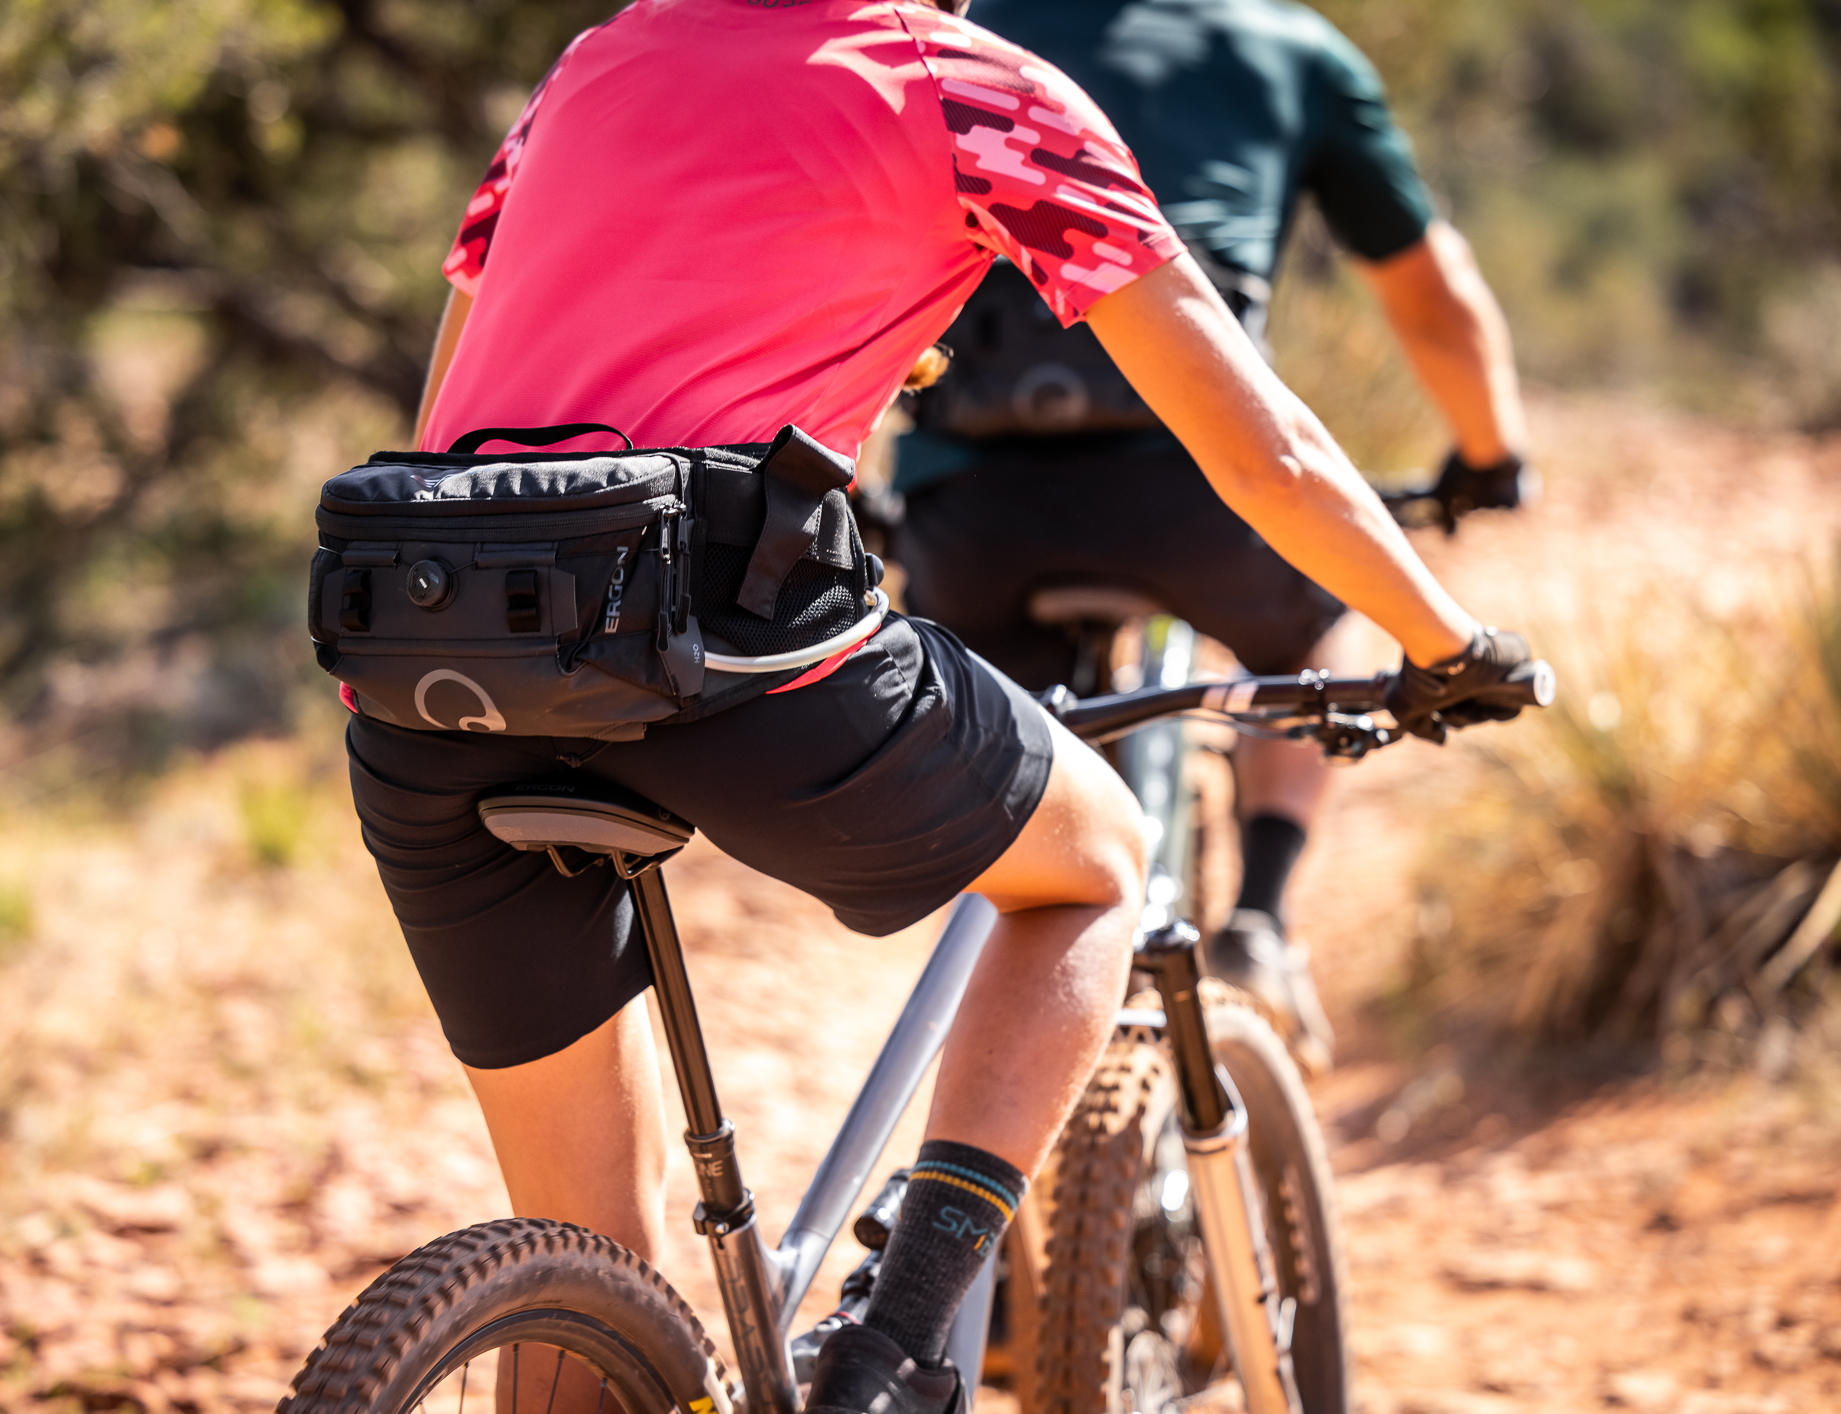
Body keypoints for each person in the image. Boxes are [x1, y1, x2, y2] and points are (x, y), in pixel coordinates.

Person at [371, 3, 1527, 1412]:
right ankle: (904, 1342)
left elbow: (450, 399)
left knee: (588, 1269)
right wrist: (1449, 638)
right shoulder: (972, 91)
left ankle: (594, 1330)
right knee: (1095, 864)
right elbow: (1263, 451)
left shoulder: (592, 62)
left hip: (428, 659)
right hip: (724, 663)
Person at [888, 0, 1534, 1075]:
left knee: (1009, 763)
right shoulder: (1288, 47)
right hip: (1203, 491)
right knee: (1314, 629)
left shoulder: (952, 29)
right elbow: (1431, 298)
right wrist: (1488, 454)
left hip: (975, 509)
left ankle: (1000, 992)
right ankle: (1259, 922)